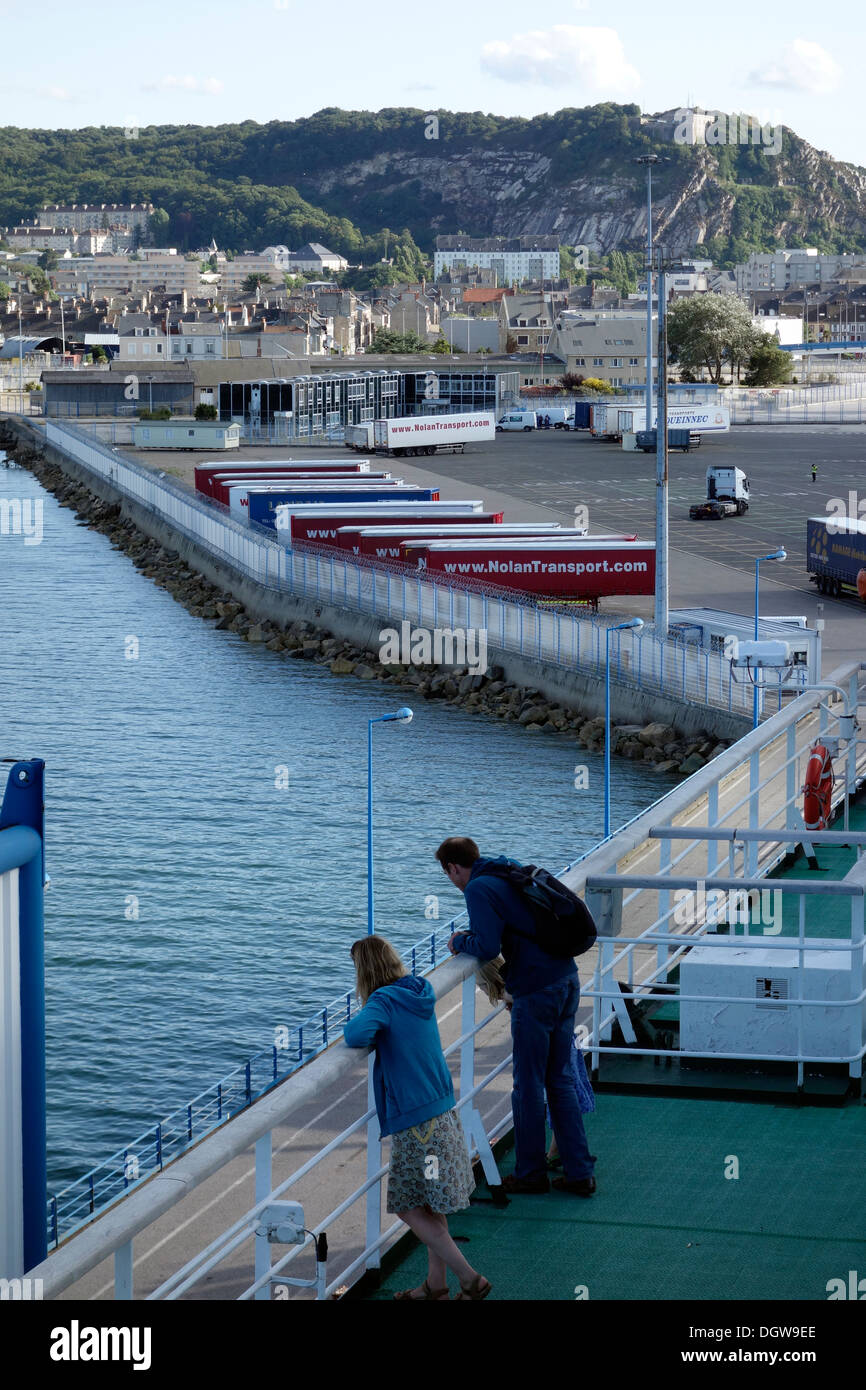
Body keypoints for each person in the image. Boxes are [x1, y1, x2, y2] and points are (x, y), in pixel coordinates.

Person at [437, 836, 596, 1198]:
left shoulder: (477, 888)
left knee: (527, 1085)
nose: (452, 880)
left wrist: (457, 942)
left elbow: (487, 946)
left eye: (449, 874)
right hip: (566, 979)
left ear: (453, 868)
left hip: (536, 991)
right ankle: (579, 1173)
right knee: (560, 1080)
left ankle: (530, 1174)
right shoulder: (506, 869)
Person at [343, 934, 492, 1300]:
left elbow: (355, 1034)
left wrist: (368, 1012)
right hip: (440, 1114)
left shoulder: (383, 1001)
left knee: (408, 1207)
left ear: (364, 971)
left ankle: (469, 1278)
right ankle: (435, 1287)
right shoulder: (418, 989)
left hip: (418, 1128)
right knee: (429, 1202)